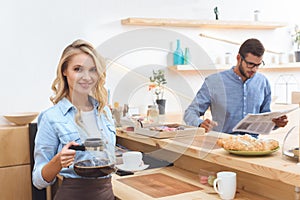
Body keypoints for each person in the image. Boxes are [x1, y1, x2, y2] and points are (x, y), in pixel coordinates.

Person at [32, 39, 116, 200]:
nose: (87, 77)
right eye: (78, 69)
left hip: (107, 194)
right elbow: (38, 181)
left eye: (92, 70)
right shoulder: (51, 117)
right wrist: (58, 161)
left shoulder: (104, 111)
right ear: (65, 71)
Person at [184, 38, 288, 136]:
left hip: (252, 146)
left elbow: (265, 117)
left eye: (258, 65)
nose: (254, 69)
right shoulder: (214, 81)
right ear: (239, 58)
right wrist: (200, 123)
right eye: (250, 64)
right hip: (221, 144)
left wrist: (276, 123)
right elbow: (190, 112)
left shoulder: (263, 82)